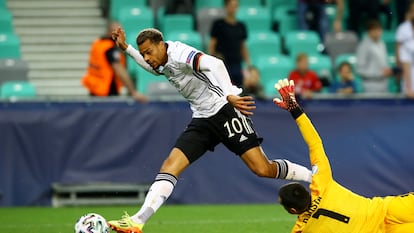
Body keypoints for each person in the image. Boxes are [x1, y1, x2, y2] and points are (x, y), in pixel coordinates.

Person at [108, 27, 312, 233]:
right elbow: (153, 68)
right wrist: (127, 49)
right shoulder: (160, 61)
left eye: (149, 52)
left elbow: (216, 64)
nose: (147, 57)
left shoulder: (179, 54)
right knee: (170, 166)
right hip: (202, 118)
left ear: (161, 45)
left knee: (262, 169)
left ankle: (313, 177)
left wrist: (230, 94)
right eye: (143, 54)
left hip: (225, 110)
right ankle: (138, 221)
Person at [274, 78, 414, 233]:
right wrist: (295, 110)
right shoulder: (321, 184)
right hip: (388, 210)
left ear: (293, 210)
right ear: (306, 192)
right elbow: (314, 143)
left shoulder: (302, 229)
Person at [81, 22, 147, 102]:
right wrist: (133, 92)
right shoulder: (110, 49)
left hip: (95, 89)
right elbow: (119, 70)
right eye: (119, 32)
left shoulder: (98, 43)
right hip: (106, 92)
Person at [209, 0, 251, 87]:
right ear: (226, 6)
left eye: (235, 6)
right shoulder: (218, 24)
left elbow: (243, 46)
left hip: (237, 63)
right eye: (231, 5)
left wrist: (248, 64)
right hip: (223, 63)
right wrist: (212, 60)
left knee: (239, 89)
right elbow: (212, 44)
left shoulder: (241, 26)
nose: (233, 8)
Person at [356, 19, 392, 93]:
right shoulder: (363, 46)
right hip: (371, 85)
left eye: (378, 30)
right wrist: (378, 74)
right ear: (368, 32)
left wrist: (387, 71)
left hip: (384, 83)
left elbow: (384, 63)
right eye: (374, 30)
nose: (377, 33)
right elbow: (359, 70)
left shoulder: (382, 44)